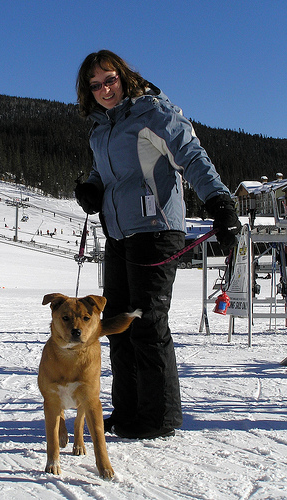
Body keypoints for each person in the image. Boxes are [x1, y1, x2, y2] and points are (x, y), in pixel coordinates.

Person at [74, 50, 241, 440]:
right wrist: (92, 188)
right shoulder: (100, 128)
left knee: (146, 323)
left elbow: (191, 155)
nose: (105, 90)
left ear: (124, 76)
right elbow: (104, 171)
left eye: (110, 80)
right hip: (118, 234)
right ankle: (127, 410)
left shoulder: (153, 112)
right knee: (116, 323)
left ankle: (158, 416)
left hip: (156, 230)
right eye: (95, 85)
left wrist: (220, 202)